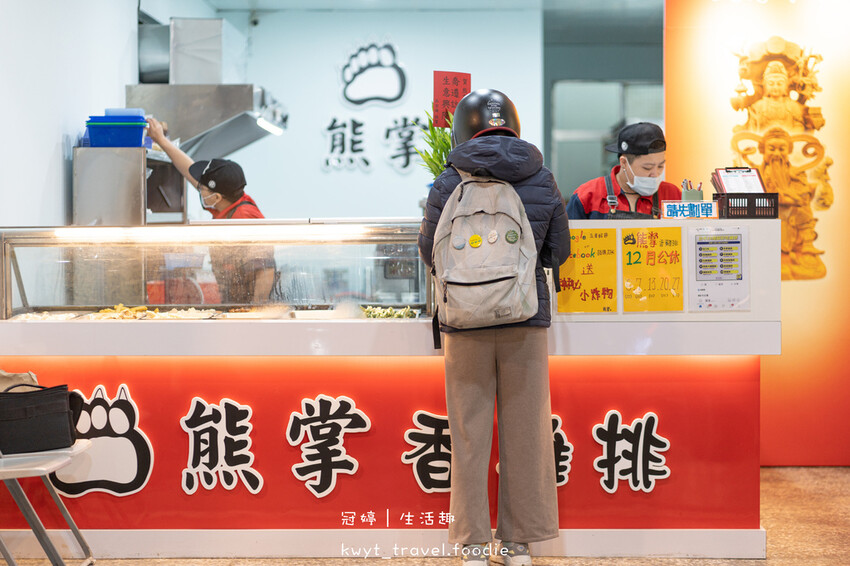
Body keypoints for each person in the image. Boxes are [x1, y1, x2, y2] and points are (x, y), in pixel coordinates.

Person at [418, 89, 570, 566]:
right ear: (515, 126)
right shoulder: (541, 178)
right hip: (526, 319)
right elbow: (558, 250)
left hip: (463, 321)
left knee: (468, 434)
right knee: (525, 433)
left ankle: (473, 545)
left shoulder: (448, 181)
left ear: (463, 129)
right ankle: (520, 544)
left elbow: (429, 251)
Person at [146, 117, 275, 304]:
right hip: (235, 302)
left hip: (250, 305)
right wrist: (161, 140)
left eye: (203, 189)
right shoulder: (227, 202)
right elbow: (188, 170)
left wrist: (257, 310)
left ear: (216, 197)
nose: (199, 189)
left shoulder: (243, 217)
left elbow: (266, 269)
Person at [566, 122, 680, 219]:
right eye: (647, 168)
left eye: (660, 166)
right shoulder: (587, 196)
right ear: (624, 163)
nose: (655, 174)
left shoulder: (673, 196)